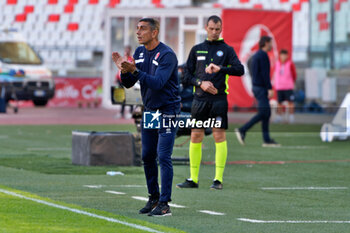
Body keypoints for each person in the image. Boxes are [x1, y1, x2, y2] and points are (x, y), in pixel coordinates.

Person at [112, 18, 180, 217]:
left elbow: (158, 83)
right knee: (147, 155)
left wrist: (135, 70)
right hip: (150, 110)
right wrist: (124, 71)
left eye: (143, 29)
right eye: (137, 29)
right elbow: (129, 83)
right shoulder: (139, 53)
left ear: (154, 32)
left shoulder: (167, 55)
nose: (138, 32)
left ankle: (165, 203)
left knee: (163, 155)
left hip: (168, 109)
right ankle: (154, 197)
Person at [176, 15, 244, 190]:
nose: (214, 32)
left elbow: (240, 69)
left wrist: (221, 68)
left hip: (219, 100)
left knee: (219, 136)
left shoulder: (227, 50)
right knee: (195, 136)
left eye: (217, 29)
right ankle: (193, 179)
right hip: (199, 100)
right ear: (206, 28)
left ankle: (218, 180)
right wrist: (201, 84)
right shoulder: (197, 49)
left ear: (221, 29)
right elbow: (186, 77)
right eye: (212, 28)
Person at [235, 36, 280, 147]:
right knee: (264, 113)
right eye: (270, 43)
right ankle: (243, 130)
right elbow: (265, 74)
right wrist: (269, 88)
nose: (271, 45)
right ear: (265, 43)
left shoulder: (255, 55)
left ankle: (267, 140)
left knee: (266, 113)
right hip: (261, 88)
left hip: (256, 87)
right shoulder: (263, 55)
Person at [274, 49, 297, 123]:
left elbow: (294, 75)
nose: (283, 56)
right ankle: (279, 117)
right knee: (279, 103)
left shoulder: (290, 64)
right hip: (279, 87)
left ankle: (291, 117)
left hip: (288, 87)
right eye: (282, 55)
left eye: (285, 55)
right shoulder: (277, 63)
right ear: (280, 56)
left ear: (287, 56)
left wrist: (290, 82)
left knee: (290, 102)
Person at [115, 45, 134, 119]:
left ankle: (130, 112)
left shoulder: (131, 59)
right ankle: (121, 112)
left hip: (128, 80)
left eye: (128, 50)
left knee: (130, 96)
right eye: (125, 50)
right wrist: (116, 77)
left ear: (130, 51)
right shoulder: (122, 59)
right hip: (120, 80)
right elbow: (119, 70)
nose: (126, 51)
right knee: (121, 97)